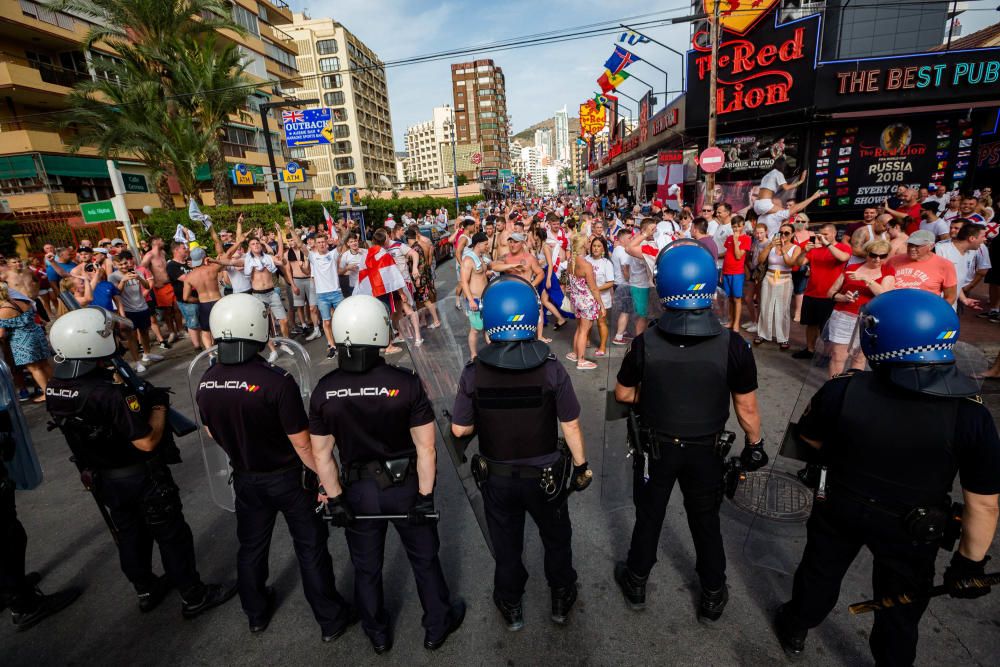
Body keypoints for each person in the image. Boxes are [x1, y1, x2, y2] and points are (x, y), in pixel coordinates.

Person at [774, 289, 1000, 664]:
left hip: (842, 503)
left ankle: (798, 624)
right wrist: (969, 562)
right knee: (900, 606)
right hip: (914, 526)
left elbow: (809, 439)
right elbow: (984, 502)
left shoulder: (843, 388)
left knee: (820, 572)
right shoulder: (971, 414)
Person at [45, 308, 236, 618]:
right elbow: (146, 441)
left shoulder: (55, 386)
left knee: (131, 535)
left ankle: (145, 588)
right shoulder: (108, 395)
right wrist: (158, 406)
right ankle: (194, 595)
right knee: (172, 536)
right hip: (141, 476)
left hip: (105, 478)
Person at [613, 240, 764, 622]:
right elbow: (746, 407)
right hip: (707, 449)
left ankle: (636, 580)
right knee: (705, 520)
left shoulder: (645, 342)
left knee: (649, 516)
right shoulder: (734, 344)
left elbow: (623, 393)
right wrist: (755, 444)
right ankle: (713, 593)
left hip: (657, 446)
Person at [310, 295, 465, 654]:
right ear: (378, 331)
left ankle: (377, 633)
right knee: (424, 558)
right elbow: (426, 447)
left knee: (366, 566)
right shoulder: (405, 383)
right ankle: (436, 625)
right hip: (405, 485)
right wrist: (426, 496)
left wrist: (335, 500)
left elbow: (322, 454)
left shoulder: (324, 390)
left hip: (358, 489)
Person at [195, 294, 355, 640]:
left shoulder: (206, 380)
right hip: (289, 478)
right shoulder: (275, 380)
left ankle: (255, 613)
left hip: (246, 477)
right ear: (254, 326)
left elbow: (211, 431)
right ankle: (329, 619)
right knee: (310, 547)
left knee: (251, 546)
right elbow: (301, 442)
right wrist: (327, 481)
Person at [451, 276, 592, 631]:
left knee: (507, 544)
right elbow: (570, 425)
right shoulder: (551, 367)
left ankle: (511, 604)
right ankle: (561, 596)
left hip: (497, 477)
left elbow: (459, 430)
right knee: (557, 539)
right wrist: (581, 467)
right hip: (546, 476)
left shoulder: (474, 372)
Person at [825, 239, 895, 376]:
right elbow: (831, 292)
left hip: (868, 320)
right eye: (873, 255)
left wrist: (866, 279)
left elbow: (884, 295)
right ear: (867, 253)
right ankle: (834, 388)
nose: (877, 259)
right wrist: (844, 297)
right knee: (838, 356)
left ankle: (851, 389)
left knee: (859, 357)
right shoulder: (851, 268)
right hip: (844, 316)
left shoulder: (888, 271)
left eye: (883, 256)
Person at [791, 223, 851, 359]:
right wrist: (804, 251)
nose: (822, 237)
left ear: (834, 234)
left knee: (828, 327)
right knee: (811, 324)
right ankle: (810, 350)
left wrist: (827, 244)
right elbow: (799, 263)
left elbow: (843, 258)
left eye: (826, 234)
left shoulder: (842, 247)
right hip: (812, 292)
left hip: (830, 296)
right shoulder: (814, 250)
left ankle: (827, 354)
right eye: (821, 234)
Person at [109, 252, 164, 373]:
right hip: (128, 310)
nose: (124, 266)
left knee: (144, 332)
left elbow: (147, 286)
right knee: (132, 337)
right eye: (121, 264)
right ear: (115, 264)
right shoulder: (113, 277)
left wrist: (139, 277)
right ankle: (137, 362)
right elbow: (115, 294)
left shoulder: (136, 271)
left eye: (125, 263)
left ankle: (147, 354)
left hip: (142, 307)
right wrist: (123, 281)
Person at [0, 284, 52, 401]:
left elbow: (1, 334)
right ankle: (56, 389)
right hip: (36, 332)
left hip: (22, 340)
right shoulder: (21, 301)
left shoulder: (2, 310)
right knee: (45, 364)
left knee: (34, 368)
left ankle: (47, 394)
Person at [754, 223, 802, 350]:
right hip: (769, 277)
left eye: (786, 233)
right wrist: (770, 245)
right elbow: (760, 260)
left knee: (783, 309)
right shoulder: (771, 245)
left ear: (792, 234)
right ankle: (762, 334)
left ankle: (783, 337)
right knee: (765, 306)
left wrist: (783, 249)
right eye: (781, 232)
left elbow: (791, 263)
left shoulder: (795, 248)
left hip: (785, 279)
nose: (783, 235)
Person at [565, 235, 604, 370]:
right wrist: (602, 305)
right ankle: (581, 360)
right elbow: (593, 288)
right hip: (586, 301)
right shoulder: (586, 265)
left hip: (576, 300)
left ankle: (576, 353)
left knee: (580, 328)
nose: (590, 243)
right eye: (588, 241)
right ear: (583, 246)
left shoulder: (571, 261)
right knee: (584, 331)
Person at [888, 229, 958, 304]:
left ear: (931, 246)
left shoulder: (945, 265)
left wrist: (937, 312)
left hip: (924, 311)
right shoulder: (893, 260)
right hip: (894, 308)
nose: (912, 249)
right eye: (910, 245)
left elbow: (950, 297)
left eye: (917, 246)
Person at [303, 234, 344, 360]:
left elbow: (342, 242)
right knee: (326, 322)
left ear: (326, 243)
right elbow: (300, 245)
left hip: (336, 293)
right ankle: (332, 346)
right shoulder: (313, 257)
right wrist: (290, 228)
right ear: (315, 244)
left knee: (342, 320)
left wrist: (348, 229)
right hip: (322, 296)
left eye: (323, 242)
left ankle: (344, 343)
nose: (321, 244)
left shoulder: (333, 254)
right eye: (319, 242)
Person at [934, 222, 986, 311]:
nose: (985, 239)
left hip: (951, 307)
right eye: (983, 237)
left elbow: (955, 281)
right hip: (936, 305)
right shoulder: (940, 249)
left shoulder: (971, 252)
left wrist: (963, 299)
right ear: (972, 238)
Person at [720, 215, 751, 331]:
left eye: (738, 226)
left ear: (743, 226)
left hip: (737, 273)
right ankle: (731, 320)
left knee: (737, 299)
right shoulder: (729, 238)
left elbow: (738, 256)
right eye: (734, 226)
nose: (736, 229)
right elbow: (727, 255)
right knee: (729, 298)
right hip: (727, 271)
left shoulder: (746, 239)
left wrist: (736, 240)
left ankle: (736, 323)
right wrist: (722, 272)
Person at [587, 237, 614, 357]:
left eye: (598, 246)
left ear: (603, 248)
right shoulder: (586, 260)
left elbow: (610, 282)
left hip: (602, 298)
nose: (596, 248)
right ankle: (586, 340)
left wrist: (595, 289)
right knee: (586, 322)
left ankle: (602, 346)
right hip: (587, 297)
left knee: (600, 322)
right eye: (594, 246)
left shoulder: (607, 263)